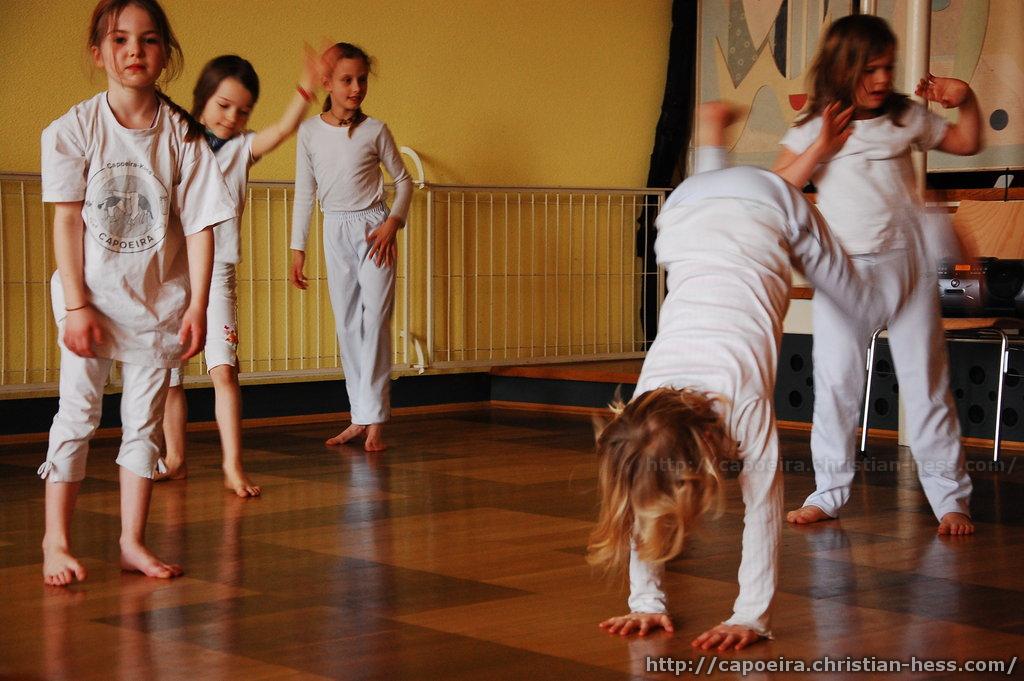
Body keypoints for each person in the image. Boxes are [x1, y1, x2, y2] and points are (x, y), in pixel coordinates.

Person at [590, 102, 884, 651]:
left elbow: (764, 512)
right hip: (687, 210)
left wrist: (751, 616)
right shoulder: (643, 407)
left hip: (748, 211)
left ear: (707, 454)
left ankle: (885, 284)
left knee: (855, 296)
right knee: (752, 201)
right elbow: (640, 501)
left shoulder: (742, 406)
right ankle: (726, 136)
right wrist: (644, 601)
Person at [38, 0, 235, 585]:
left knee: (143, 426)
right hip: (90, 303)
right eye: (120, 39)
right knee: (78, 413)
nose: (134, 51)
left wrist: (197, 304)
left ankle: (132, 541)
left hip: (157, 307)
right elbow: (66, 221)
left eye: (148, 40)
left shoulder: (185, 136)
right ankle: (55, 541)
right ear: (98, 53)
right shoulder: (74, 130)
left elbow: (200, 227)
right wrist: (76, 305)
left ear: (165, 54)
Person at [775, 14, 981, 535]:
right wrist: (821, 148)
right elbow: (776, 186)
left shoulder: (904, 117)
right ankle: (827, 494)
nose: (883, 78)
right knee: (836, 385)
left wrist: (967, 100)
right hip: (844, 276)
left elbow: (966, 142)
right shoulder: (815, 126)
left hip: (907, 270)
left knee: (927, 386)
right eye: (870, 69)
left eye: (888, 67)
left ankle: (950, 500)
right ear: (843, 68)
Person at [157, 50, 329, 497]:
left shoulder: (239, 149)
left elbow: (282, 129)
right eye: (223, 105)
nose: (232, 118)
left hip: (217, 275)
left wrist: (306, 87)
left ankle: (233, 465)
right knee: (169, 375)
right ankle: (175, 458)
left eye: (243, 111)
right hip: (174, 272)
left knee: (224, 370)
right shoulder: (178, 141)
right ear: (203, 98)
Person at [289, 42, 412, 452]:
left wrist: (393, 223)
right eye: (347, 80)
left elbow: (404, 182)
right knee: (347, 324)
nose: (356, 88)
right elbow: (305, 193)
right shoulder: (309, 133)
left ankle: (375, 418)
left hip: (375, 231)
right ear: (327, 83)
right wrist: (297, 247)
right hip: (335, 229)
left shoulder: (376, 130)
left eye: (361, 79)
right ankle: (360, 415)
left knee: (374, 320)